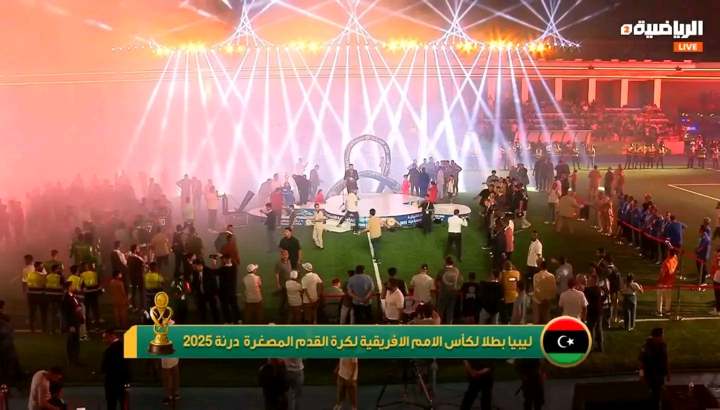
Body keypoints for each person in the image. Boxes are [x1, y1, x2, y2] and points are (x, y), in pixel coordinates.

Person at [639, 328, 670, 409]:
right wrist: (641, 375)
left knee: (658, 392)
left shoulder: (663, 345)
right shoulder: (646, 347)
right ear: (655, 337)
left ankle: (657, 405)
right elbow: (641, 362)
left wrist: (668, 373)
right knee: (654, 393)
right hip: (650, 374)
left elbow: (666, 359)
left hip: (660, 373)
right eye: (661, 336)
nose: (663, 337)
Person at [101, 330, 130, 410]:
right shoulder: (123, 347)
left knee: (111, 403)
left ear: (112, 336)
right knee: (123, 403)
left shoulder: (110, 350)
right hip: (123, 380)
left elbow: (105, 366)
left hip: (111, 381)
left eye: (106, 338)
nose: (104, 340)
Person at [191, 259, 220, 323]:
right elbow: (194, 283)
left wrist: (215, 293)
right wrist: (193, 291)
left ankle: (217, 323)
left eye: (195, 267)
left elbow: (214, 282)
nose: (194, 268)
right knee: (202, 310)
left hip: (210, 293)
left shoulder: (209, 271)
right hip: (201, 294)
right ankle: (203, 323)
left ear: (200, 265)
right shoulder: (195, 272)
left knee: (214, 309)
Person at [437, 257, 462, 324]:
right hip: (453, 293)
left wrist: (439, 288)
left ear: (446, 262)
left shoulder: (442, 270)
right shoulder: (456, 270)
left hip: (443, 293)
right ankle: (449, 325)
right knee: (450, 311)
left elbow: (437, 281)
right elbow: (460, 282)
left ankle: (438, 325)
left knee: (440, 311)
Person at [218, 254, 241, 324]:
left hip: (226, 292)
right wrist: (222, 257)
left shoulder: (224, 268)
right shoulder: (233, 267)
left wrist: (215, 262)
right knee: (232, 307)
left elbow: (215, 272)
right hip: (230, 292)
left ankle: (231, 321)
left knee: (228, 307)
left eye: (226, 259)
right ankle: (235, 320)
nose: (225, 260)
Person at [27, 261, 47, 333]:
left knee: (32, 313)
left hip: (31, 295)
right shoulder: (42, 276)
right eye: (41, 266)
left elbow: (28, 284)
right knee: (43, 312)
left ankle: (32, 328)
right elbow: (44, 285)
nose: (42, 267)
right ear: (37, 267)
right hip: (40, 295)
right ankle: (44, 328)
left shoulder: (30, 274)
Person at [657, 249, 677, 317]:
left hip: (663, 282)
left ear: (669, 253)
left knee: (660, 297)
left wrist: (659, 280)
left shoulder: (666, 262)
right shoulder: (675, 259)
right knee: (668, 297)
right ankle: (667, 310)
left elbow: (662, 273)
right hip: (670, 282)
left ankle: (659, 312)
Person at [275, 250, 292, 321]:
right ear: (281, 256)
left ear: (288, 255)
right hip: (283, 284)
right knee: (283, 299)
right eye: (284, 255)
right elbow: (276, 274)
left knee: (289, 298)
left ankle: (287, 312)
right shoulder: (279, 264)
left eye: (286, 254)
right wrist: (278, 284)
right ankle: (280, 313)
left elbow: (290, 271)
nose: (285, 256)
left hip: (289, 284)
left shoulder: (289, 261)